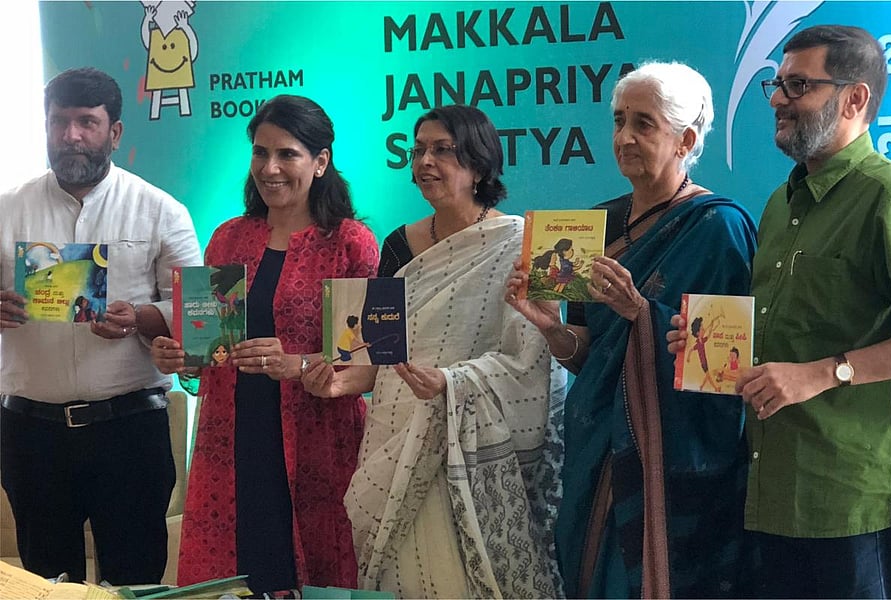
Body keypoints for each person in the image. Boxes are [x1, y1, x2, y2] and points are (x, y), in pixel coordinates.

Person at [506, 62, 758, 598]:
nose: (624, 137)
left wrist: (642, 313)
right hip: (593, 442)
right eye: (619, 120)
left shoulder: (718, 226)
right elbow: (585, 354)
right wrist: (550, 328)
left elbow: (720, 371)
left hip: (673, 462)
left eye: (644, 124)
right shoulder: (594, 224)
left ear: (685, 138)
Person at [669, 25, 891, 598]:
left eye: (798, 85)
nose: (775, 98)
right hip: (764, 490)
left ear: (855, 99)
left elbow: (812, 364)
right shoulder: (779, 203)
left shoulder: (886, 197)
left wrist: (824, 373)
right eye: (776, 83)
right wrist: (703, 345)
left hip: (846, 503)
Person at [301, 104, 565, 598]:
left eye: (443, 150)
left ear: (480, 165)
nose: (425, 161)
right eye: (419, 149)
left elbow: (534, 363)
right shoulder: (398, 244)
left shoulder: (526, 244)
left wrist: (453, 382)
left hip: (472, 446)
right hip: (396, 436)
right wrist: (335, 380)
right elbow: (376, 355)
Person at [149, 95, 379, 596]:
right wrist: (177, 354)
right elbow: (204, 350)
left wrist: (295, 365)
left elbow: (364, 362)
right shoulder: (228, 238)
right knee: (236, 573)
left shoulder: (352, 243)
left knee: (314, 572)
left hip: (318, 441)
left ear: (320, 162)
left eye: (287, 154)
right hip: (231, 437)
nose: (270, 168)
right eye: (259, 153)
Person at [0, 67, 201, 584]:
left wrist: (141, 318)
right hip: (31, 433)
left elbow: (199, 312)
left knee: (135, 582)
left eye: (87, 122)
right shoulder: (6, 210)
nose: (71, 135)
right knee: (44, 585)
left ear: (115, 132)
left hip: (129, 431)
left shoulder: (161, 211)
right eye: (59, 122)